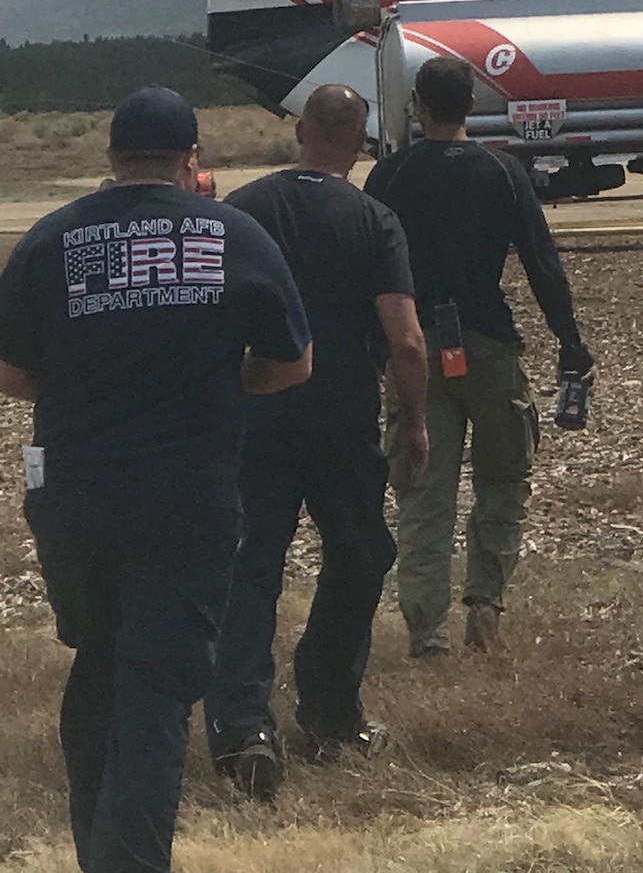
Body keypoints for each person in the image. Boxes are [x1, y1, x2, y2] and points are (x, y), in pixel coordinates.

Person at [0, 86, 311, 873]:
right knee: (158, 686)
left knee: (101, 657)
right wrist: (222, 381)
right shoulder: (231, 237)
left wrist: (76, 391)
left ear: (109, 158)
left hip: (72, 498)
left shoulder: (51, 240)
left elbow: (8, 364)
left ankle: (100, 851)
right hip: (187, 494)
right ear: (191, 159)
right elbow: (292, 363)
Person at [203, 83, 429, 797]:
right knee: (361, 556)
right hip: (343, 422)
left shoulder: (241, 213)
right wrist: (414, 419)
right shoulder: (372, 219)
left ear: (300, 131)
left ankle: (242, 729)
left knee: (250, 571)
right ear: (361, 144)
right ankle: (330, 711)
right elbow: (407, 341)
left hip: (256, 419)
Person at [365, 54, 594, 657]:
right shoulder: (503, 172)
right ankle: (485, 606)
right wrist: (570, 343)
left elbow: (367, 275)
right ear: (472, 105)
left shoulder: (388, 177)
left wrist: (372, 353)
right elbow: (543, 266)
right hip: (488, 344)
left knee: (423, 492)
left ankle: (427, 635)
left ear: (419, 104)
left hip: (414, 349)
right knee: (503, 477)